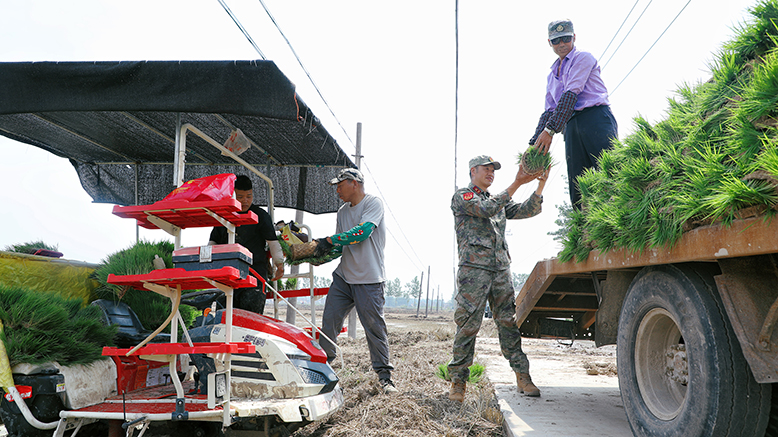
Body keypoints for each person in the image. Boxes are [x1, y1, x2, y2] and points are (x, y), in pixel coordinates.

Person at [448, 155, 548, 402]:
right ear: (473, 171)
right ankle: (458, 382)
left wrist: (539, 185)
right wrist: (516, 183)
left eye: (493, 170)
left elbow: (527, 210)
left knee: (508, 323)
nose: (491, 173)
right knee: (469, 325)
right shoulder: (463, 196)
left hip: (501, 269)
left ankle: (522, 376)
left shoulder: (497, 200)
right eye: (486, 169)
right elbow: (486, 209)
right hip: (474, 271)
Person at [315, 168, 398, 395]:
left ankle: (384, 377)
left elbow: (362, 233)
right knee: (329, 323)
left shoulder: (373, 204)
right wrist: (317, 254)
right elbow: (340, 245)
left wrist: (330, 239)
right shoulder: (342, 212)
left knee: (373, 327)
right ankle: (322, 369)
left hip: (369, 279)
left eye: (340, 185)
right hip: (344, 277)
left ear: (354, 183)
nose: (337, 190)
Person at [529, 19, 618, 209]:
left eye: (566, 39)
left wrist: (550, 131)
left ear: (574, 38)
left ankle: (620, 216)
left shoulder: (583, 58)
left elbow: (570, 95)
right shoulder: (552, 75)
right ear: (550, 43)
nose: (561, 44)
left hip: (595, 119)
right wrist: (533, 146)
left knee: (609, 171)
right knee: (578, 183)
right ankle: (583, 232)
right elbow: (548, 111)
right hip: (570, 126)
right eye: (556, 40)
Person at [209, 175, 284, 315]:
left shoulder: (261, 216)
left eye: (249, 196)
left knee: (250, 319)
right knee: (224, 318)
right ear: (232, 195)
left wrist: (279, 264)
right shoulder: (223, 215)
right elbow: (213, 243)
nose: (245, 201)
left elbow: (273, 242)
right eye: (240, 197)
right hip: (227, 276)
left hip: (254, 276)